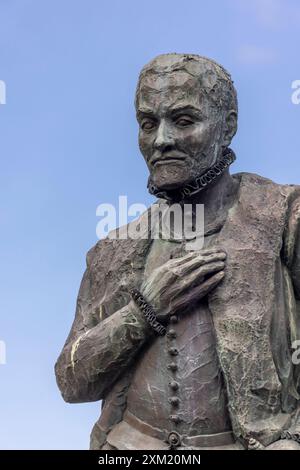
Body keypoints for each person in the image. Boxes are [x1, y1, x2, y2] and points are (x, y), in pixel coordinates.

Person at [55, 54, 300, 450]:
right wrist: (143, 310)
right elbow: (71, 381)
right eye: (148, 124)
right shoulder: (113, 249)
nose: (161, 140)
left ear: (229, 124)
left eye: (184, 120)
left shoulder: (283, 217)